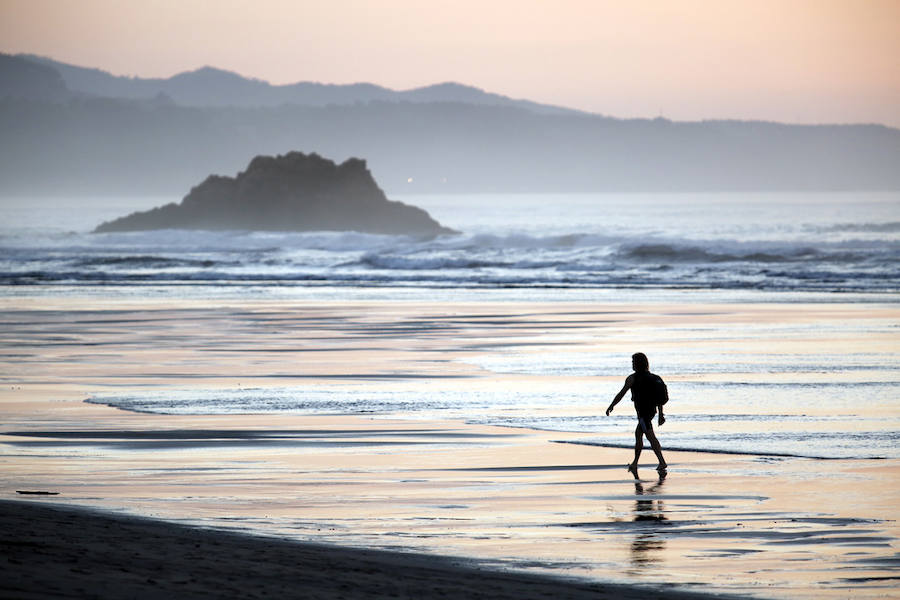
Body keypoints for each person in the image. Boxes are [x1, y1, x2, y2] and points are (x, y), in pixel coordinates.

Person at [606, 352, 667, 475]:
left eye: (633, 362)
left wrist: (612, 405)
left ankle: (662, 461)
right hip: (650, 412)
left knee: (650, 437)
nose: (632, 364)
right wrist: (661, 414)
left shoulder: (632, 378)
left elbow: (621, 393)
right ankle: (635, 463)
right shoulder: (654, 377)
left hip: (643, 413)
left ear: (638, 364)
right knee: (638, 434)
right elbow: (659, 399)